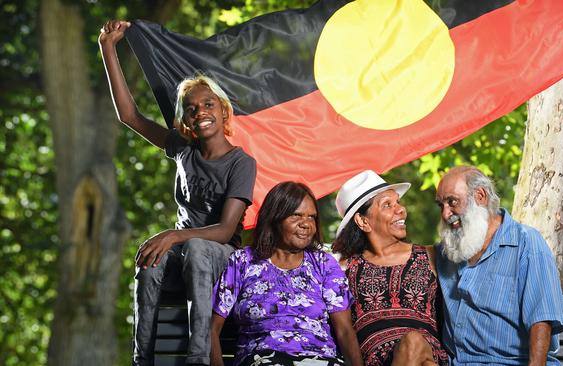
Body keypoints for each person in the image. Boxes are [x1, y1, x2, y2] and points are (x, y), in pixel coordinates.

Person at [99, 20, 257, 366]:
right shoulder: (182, 149)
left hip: (222, 256)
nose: (201, 112)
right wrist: (108, 47)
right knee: (150, 257)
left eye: (208, 105)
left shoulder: (241, 163)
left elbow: (225, 231)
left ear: (223, 110)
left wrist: (173, 235)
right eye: (192, 108)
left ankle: (197, 359)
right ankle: (142, 359)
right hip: (184, 253)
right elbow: (130, 116)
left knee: (198, 247)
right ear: (185, 119)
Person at [211, 182, 362, 366]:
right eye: (296, 215)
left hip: (320, 360)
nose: (306, 224)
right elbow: (212, 329)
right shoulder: (243, 261)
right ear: (275, 218)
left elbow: (345, 331)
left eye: (312, 217)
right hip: (263, 359)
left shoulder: (324, 264)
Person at [434, 166, 563, 365]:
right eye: (441, 205)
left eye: (452, 202)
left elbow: (542, 320)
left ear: (480, 196)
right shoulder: (449, 250)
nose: (446, 214)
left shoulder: (526, 242)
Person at [332, 170, 448, 366]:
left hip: (425, 352)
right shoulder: (343, 269)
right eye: (387, 205)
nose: (401, 210)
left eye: (398, 203)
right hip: (375, 361)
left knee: (413, 341)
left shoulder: (430, 255)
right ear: (363, 221)